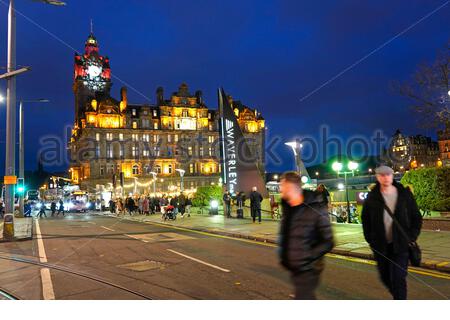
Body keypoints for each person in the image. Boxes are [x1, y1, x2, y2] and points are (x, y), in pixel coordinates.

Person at [362, 165, 422, 300]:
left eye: (388, 174)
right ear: (377, 177)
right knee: (385, 278)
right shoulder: (372, 197)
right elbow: (365, 220)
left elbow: (416, 217)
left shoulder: (404, 194)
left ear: (392, 175)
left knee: (398, 278)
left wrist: (411, 237)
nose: (385, 177)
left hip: (401, 245)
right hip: (381, 247)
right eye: (382, 175)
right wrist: (370, 239)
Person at [278, 171, 334, 300]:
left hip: (308, 268)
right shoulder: (289, 207)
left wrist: (306, 257)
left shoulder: (316, 207)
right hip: (295, 267)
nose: (280, 189)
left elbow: (328, 241)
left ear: (291, 187)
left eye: (282, 185)